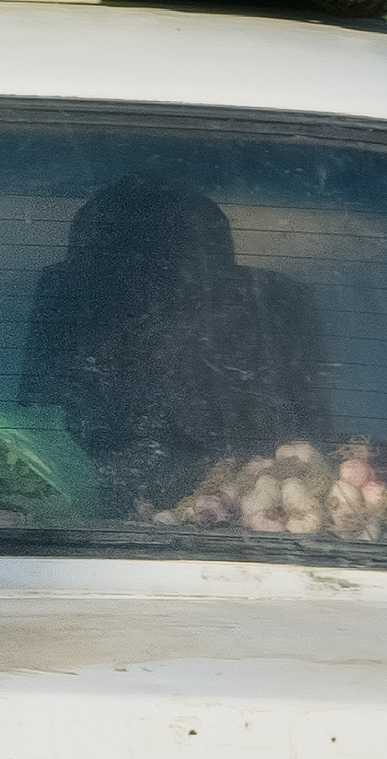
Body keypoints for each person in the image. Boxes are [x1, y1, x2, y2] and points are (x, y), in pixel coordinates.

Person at [19, 177, 329, 513]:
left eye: (167, 269)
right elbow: (41, 431)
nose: (151, 289)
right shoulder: (71, 317)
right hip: (82, 514)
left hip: (239, 517)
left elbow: (301, 453)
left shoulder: (259, 325)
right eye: (131, 271)